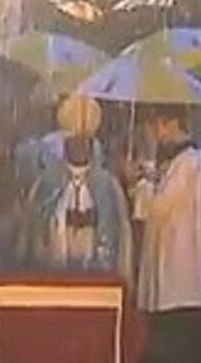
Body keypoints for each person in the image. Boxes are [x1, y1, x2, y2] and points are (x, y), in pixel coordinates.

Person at [133, 107, 201, 363]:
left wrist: (143, 183)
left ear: (171, 123)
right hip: (166, 256)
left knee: (176, 329)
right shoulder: (178, 160)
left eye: (157, 125)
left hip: (179, 261)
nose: (154, 131)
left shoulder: (190, 161)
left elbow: (161, 207)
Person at [21, 95, 132, 282]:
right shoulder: (47, 182)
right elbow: (35, 230)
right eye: (74, 141)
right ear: (65, 143)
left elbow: (118, 236)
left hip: (97, 275)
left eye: (84, 141)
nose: (79, 146)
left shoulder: (107, 184)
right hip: (54, 271)